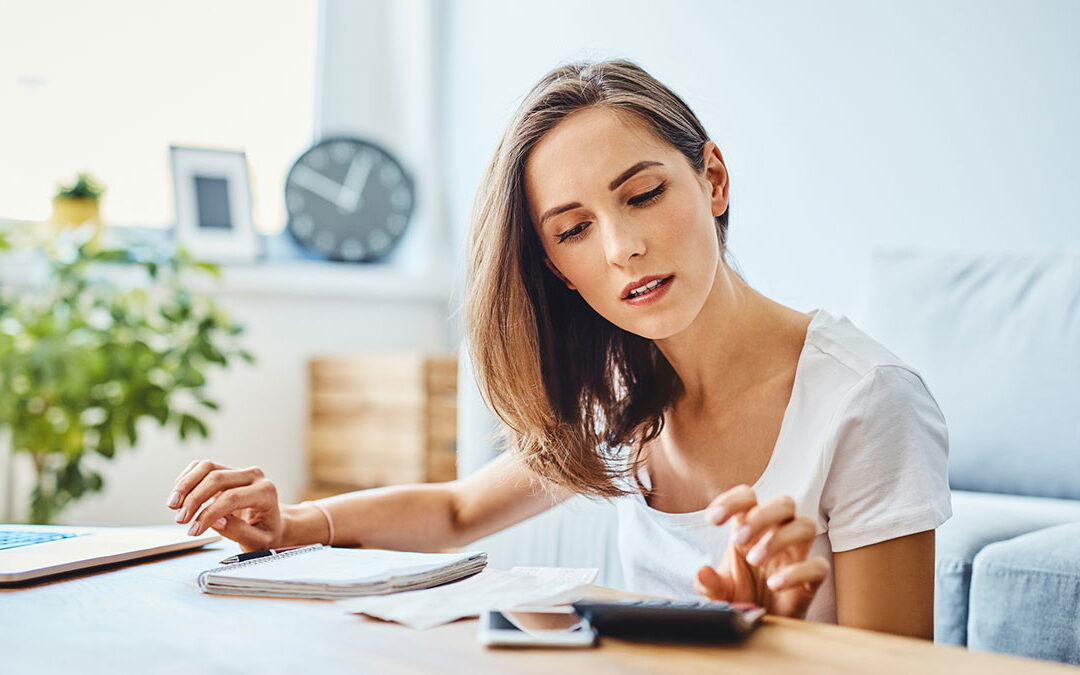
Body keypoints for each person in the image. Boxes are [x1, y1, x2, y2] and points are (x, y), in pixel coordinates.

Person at [165, 59, 950, 638]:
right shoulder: (623, 387)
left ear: (712, 179)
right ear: (556, 269)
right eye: (574, 229)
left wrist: (779, 634)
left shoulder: (865, 399)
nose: (623, 247)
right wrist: (291, 523)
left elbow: (906, 665)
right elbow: (457, 508)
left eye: (643, 194)